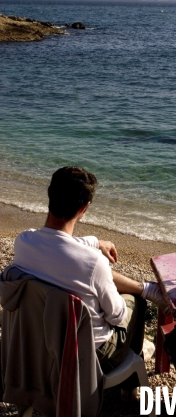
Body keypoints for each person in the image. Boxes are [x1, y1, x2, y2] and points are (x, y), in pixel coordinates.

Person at [8, 166, 164, 393]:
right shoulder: (93, 264)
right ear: (84, 208)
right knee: (135, 303)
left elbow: (61, 246)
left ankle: (145, 289)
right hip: (89, 357)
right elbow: (117, 315)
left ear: (49, 192)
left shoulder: (23, 243)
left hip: (38, 347)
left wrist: (96, 242)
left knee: (100, 289)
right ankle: (128, 382)